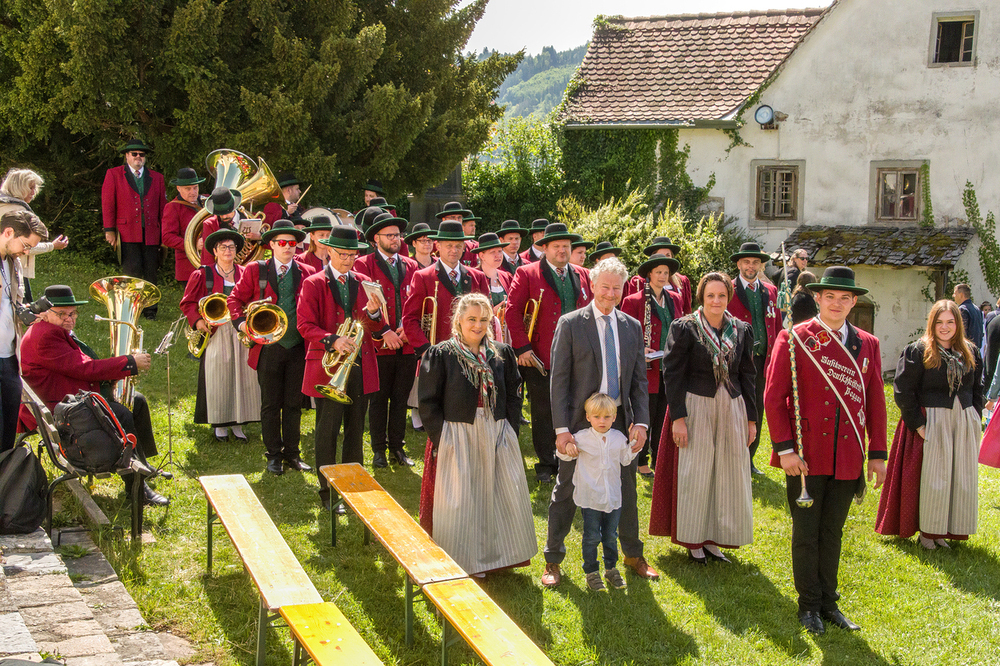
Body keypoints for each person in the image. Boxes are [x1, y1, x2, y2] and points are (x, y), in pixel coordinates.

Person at [764, 266, 887, 635]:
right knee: (806, 533)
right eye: (829, 296)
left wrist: (877, 454)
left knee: (832, 532)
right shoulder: (794, 337)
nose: (836, 303)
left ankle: (829, 603)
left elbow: (876, 402)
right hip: (806, 453)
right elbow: (773, 398)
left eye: (844, 298)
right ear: (817, 298)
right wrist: (785, 450)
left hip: (847, 454)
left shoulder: (868, 344)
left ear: (853, 302)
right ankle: (808, 605)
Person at [542, 256, 659, 587]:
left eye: (616, 288)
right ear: (592, 285)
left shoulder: (631, 326)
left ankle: (633, 554)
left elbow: (639, 380)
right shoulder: (570, 324)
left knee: (627, 487)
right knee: (567, 488)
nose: (610, 293)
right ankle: (553, 559)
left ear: (624, 289)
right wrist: (562, 430)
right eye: (604, 286)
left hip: (620, 421)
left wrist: (641, 423)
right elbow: (559, 381)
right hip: (579, 423)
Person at [417, 292, 536, 576]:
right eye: (471, 319)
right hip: (457, 433)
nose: (477, 325)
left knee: (496, 495)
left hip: (495, 431)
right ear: (458, 319)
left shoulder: (501, 353)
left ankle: (496, 556)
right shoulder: (442, 354)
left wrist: (509, 428)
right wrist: (443, 437)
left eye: (484, 320)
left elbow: (514, 393)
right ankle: (460, 557)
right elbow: (428, 401)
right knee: (462, 498)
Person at [20, 284, 167, 506]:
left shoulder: (50, 330)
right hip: (61, 409)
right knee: (121, 414)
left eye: (73, 313)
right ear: (45, 313)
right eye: (62, 314)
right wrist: (129, 363)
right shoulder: (46, 336)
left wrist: (115, 372)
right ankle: (136, 487)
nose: (69, 319)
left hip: (65, 398)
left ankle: (142, 465)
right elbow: (84, 368)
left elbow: (79, 366)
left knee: (136, 401)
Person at [649, 272, 757, 563]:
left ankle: (715, 537)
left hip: (731, 407)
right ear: (701, 297)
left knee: (726, 473)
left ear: (728, 297)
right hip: (696, 405)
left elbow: (748, 375)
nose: (716, 301)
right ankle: (694, 538)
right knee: (696, 472)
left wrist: (751, 419)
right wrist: (678, 418)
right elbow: (672, 375)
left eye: (721, 295)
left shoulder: (741, 330)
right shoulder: (685, 327)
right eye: (710, 295)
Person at [876, 300, 981, 549]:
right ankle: (927, 532)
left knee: (958, 478)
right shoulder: (918, 350)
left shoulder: (970, 351)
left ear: (958, 324)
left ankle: (944, 529)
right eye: (939, 322)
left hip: (962, 422)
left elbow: (977, 387)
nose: (945, 327)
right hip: (931, 421)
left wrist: (974, 417)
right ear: (932, 324)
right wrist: (919, 425)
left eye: (950, 322)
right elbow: (903, 391)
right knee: (933, 478)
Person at [298, 226, 384, 509]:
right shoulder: (313, 282)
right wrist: (332, 339)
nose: (348, 260)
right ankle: (327, 490)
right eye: (342, 255)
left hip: (360, 365)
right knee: (327, 431)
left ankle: (351, 487)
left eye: (352, 255)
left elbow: (376, 326)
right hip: (329, 367)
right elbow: (304, 325)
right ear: (329, 252)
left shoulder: (365, 281)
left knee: (355, 430)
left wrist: (374, 312)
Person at [228, 220, 317, 475]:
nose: (287, 247)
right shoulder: (255, 269)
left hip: (298, 346)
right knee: (270, 404)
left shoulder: (308, 271)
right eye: (282, 242)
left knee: (293, 404)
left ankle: (292, 454)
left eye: (292, 243)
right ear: (272, 245)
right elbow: (234, 299)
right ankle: (273, 455)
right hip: (267, 346)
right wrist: (242, 325)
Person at [506, 222, 592, 483]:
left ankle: (570, 455)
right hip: (540, 355)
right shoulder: (526, 272)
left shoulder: (583, 274)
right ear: (545, 248)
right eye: (556, 246)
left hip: (577, 354)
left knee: (576, 407)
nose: (562, 251)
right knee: (543, 410)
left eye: (566, 246)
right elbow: (512, 311)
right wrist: (523, 348)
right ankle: (546, 463)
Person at [179, 229, 261, 442]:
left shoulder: (246, 272)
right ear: (214, 251)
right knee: (219, 375)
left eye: (232, 247)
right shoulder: (202, 274)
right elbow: (187, 303)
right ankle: (220, 424)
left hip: (241, 329)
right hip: (215, 331)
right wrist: (198, 322)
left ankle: (239, 422)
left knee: (244, 375)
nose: (228, 251)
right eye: (223, 247)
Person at [355, 211, 419, 468]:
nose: (396, 239)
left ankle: (397, 447)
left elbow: (416, 300)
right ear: (375, 239)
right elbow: (363, 302)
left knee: (401, 398)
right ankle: (378, 449)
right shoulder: (363, 264)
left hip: (406, 342)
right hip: (378, 343)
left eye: (398, 235)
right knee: (379, 399)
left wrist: (406, 329)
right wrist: (384, 330)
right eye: (389, 235)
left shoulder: (411, 265)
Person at [557, 392, 638, 591]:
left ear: (614, 417)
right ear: (588, 417)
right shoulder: (581, 438)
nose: (602, 421)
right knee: (592, 536)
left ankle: (611, 569)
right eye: (597, 417)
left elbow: (625, 459)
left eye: (607, 417)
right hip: (591, 497)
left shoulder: (618, 438)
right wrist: (567, 447)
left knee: (610, 535)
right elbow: (564, 456)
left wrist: (634, 443)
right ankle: (591, 572)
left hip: (612, 497)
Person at [620, 255, 683, 477]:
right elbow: (625, 334)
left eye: (666, 273)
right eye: (658, 272)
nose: (663, 276)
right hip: (646, 368)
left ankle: (660, 458)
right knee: (646, 413)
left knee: (665, 415)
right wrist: (641, 349)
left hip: (670, 367)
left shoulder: (675, 298)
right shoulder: (634, 300)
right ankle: (641, 460)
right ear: (649, 274)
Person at [727, 241, 781, 475]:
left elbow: (777, 325)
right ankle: (732, 458)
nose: (751, 266)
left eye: (755, 262)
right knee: (735, 407)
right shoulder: (728, 289)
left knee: (757, 409)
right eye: (746, 262)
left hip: (763, 361)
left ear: (761, 265)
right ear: (739, 264)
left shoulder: (771, 291)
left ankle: (749, 459)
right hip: (736, 360)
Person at [101, 140, 166, 319]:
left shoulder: (157, 177)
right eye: (134, 154)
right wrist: (109, 230)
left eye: (141, 154)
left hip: (151, 232)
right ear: (127, 156)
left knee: (151, 272)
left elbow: (162, 207)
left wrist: (164, 233)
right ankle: (132, 307)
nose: (138, 157)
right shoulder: (114, 174)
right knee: (132, 271)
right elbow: (108, 204)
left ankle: (150, 310)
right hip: (126, 231)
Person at [0, 210, 47, 453]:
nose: (26, 252)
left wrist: (27, 312)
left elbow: (10, 304)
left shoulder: (13, 263)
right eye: (26, 245)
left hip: (9, 359)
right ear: (8, 232)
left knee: (7, 433)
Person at [0, 169, 69, 302]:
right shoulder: (18, 211)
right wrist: (52, 246)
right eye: (30, 187)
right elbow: (24, 246)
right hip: (11, 268)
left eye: (34, 188)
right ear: (19, 187)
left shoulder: (3, 204)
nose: (33, 192)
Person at [623, 237, 692, 315]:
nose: (664, 259)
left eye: (668, 255)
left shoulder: (682, 281)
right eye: (661, 255)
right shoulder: (639, 281)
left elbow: (687, 311)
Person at [160, 167, 205, 282]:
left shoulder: (206, 201)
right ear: (178, 188)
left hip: (213, 265)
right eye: (188, 188)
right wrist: (193, 244)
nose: (193, 192)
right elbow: (167, 237)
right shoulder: (173, 207)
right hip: (188, 267)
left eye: (195, 187)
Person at [953, 283, 984, 350]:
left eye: (955, 293)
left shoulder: (962, 309)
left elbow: (962, 332)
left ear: (961, 295)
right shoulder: (977, 309)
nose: (953, 296)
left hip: (966, 349)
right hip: (976, 349)